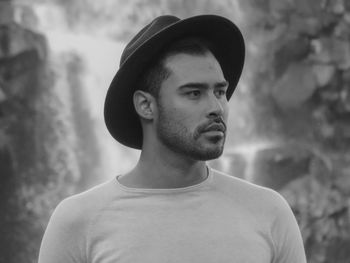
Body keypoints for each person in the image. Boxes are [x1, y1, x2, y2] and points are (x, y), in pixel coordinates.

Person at [38, 15, 307, 263]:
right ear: (146, 105)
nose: (216, 106)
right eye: (194, 93)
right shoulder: (77, 222)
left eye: (220, 91)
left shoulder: (269, 213)